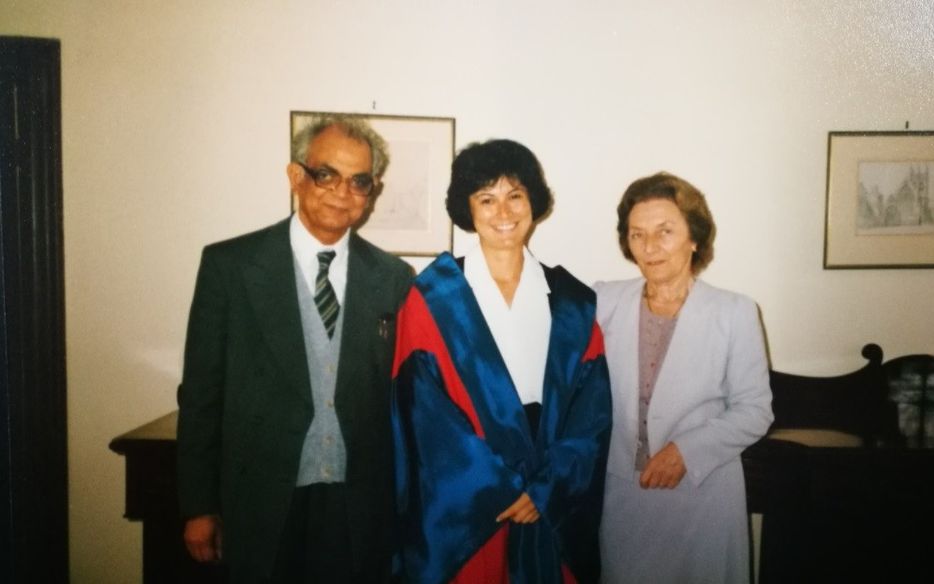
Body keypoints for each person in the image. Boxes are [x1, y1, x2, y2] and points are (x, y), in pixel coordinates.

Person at [177, 114, 414, 583]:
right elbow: (202, 395)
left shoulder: (394, 278)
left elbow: (404, 400)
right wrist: (199, 506)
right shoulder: (231, 267)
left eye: (359, 181)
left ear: (372, 192)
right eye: (326, 174)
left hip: (357, 506)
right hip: (261, 501)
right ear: (295, 176)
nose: (341, 192)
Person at [390, 139, 612, 584]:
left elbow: (592, 414)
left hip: (549, 491)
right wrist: (496, 487)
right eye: (486, 199)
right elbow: (424, 413)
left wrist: (547, 488)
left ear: (534, 201)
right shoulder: (432, 298)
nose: (503, 212)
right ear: (466, 209)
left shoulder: (573, 302)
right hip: (471, 503)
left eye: (515, 196)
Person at [595, 172, 773, 584]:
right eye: (637, 235)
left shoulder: (736, 312)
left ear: (694, 237)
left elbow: (755, 410)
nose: (650, 246)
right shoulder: (602, 302)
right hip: (625, 499)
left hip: (703, 497)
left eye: (665, 231)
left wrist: (686, 452)